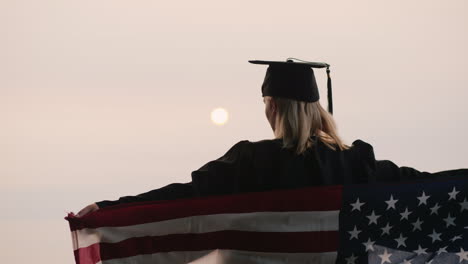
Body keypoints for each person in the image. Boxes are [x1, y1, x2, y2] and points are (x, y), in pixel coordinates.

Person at [76, 58, 468, 218]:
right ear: (315, 108)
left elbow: (184, 195)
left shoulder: (248, 161)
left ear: (273, 107)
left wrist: (110, 208)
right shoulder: (354, 162)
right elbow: (418, 182)